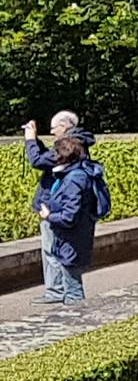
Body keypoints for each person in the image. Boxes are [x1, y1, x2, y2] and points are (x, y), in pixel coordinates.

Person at [22, 111, 96, 302]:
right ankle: (63, 292)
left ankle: (60, 293)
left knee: (55, 250)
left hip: (56, 209)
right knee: (58, 250)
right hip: (59, 209)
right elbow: (47, 158)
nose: (52, 132)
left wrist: (30, 141)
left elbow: (39, 161)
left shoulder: (70, 147)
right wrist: (36, 141)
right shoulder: (78, 143)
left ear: (64, 127)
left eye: (54, 128)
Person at [38, 133, 109, 305]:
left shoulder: (74, 179)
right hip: (73, 239)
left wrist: (49, 216)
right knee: (72, 282)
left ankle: (77, 322)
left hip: (72, 240)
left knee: (73, 290)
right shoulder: (78, 173)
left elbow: (70, 216)